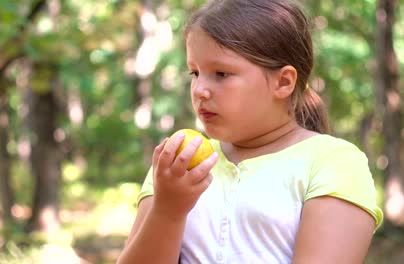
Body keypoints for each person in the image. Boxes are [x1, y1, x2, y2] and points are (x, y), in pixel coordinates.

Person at [117, 0, 383, 263]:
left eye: (221, 73)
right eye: (195, 73)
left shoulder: (334, 163)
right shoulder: (179, 163)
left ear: (284, 82)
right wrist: (167, 211)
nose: (199, 90)